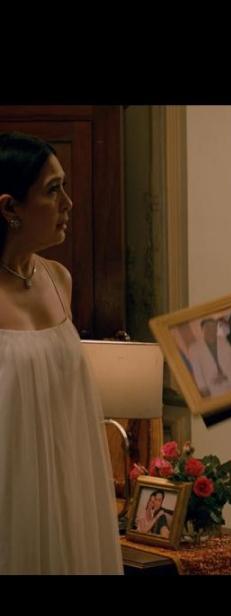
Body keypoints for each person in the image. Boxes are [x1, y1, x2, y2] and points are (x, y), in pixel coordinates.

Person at [0, 131, 122, 574]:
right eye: (53, 190)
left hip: (70, 487)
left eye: (65, 186)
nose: (68, 203)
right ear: (10, 208)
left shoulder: (59, 279)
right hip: (10, 494)